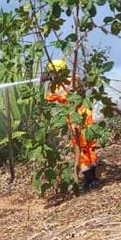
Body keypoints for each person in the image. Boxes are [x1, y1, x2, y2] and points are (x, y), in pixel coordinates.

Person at [42, 59, 100, 190]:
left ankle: (89, 180)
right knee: (89, 147)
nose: (50, 74)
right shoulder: (74, 78)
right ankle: (93, 178)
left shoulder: (61, 86)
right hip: (86, 115)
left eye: (51, 72)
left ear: (58, 72)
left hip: (77, 118)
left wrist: (47, 83)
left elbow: (49, 97)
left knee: (82, 147)